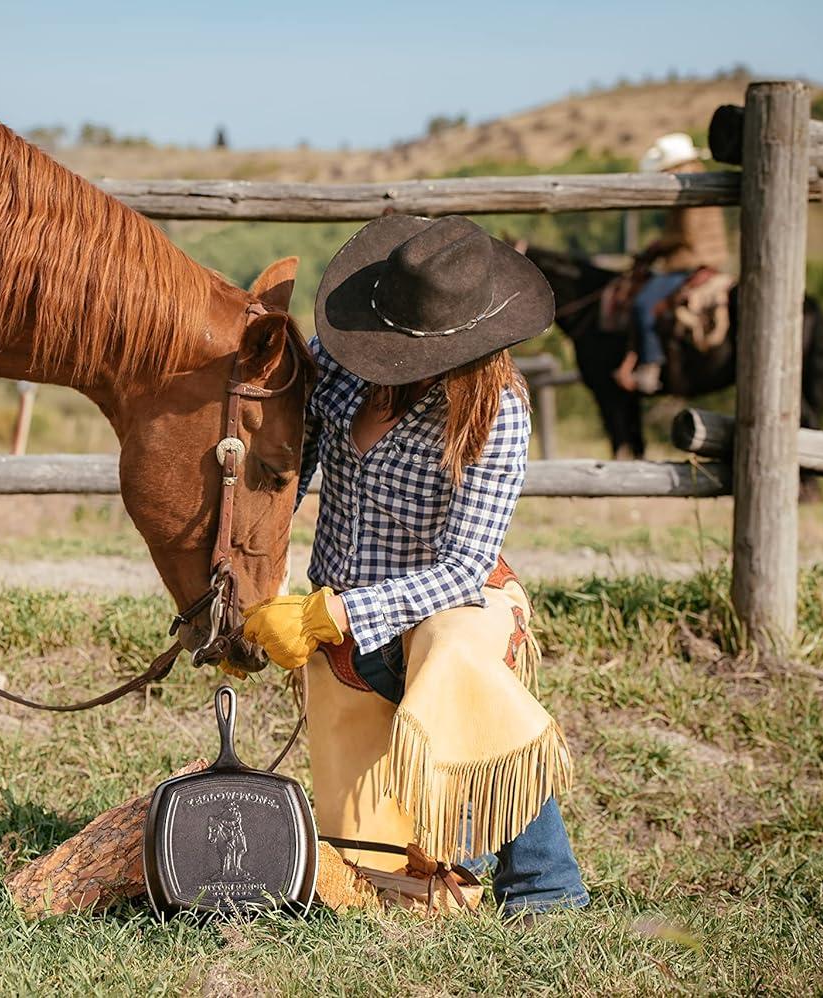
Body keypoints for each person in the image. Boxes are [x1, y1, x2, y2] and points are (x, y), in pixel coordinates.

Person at [242, 215, 588, 921]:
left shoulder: (498, 415)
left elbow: (463, 567)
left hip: (456, 603)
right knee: (376, 890)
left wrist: (334, 614)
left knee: (455, 661)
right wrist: (253, 596)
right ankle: (466, 867)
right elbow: (288, 474)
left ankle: (545, 889)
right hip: (344, 615)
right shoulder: (342, 362)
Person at [617, 132, 730, 395]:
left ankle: (650, 364)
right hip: (707, 256)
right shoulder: (703, 179)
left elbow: (685, 235)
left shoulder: (687, 186)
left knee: (642, 304)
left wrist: (656, 247)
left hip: (688, 260)